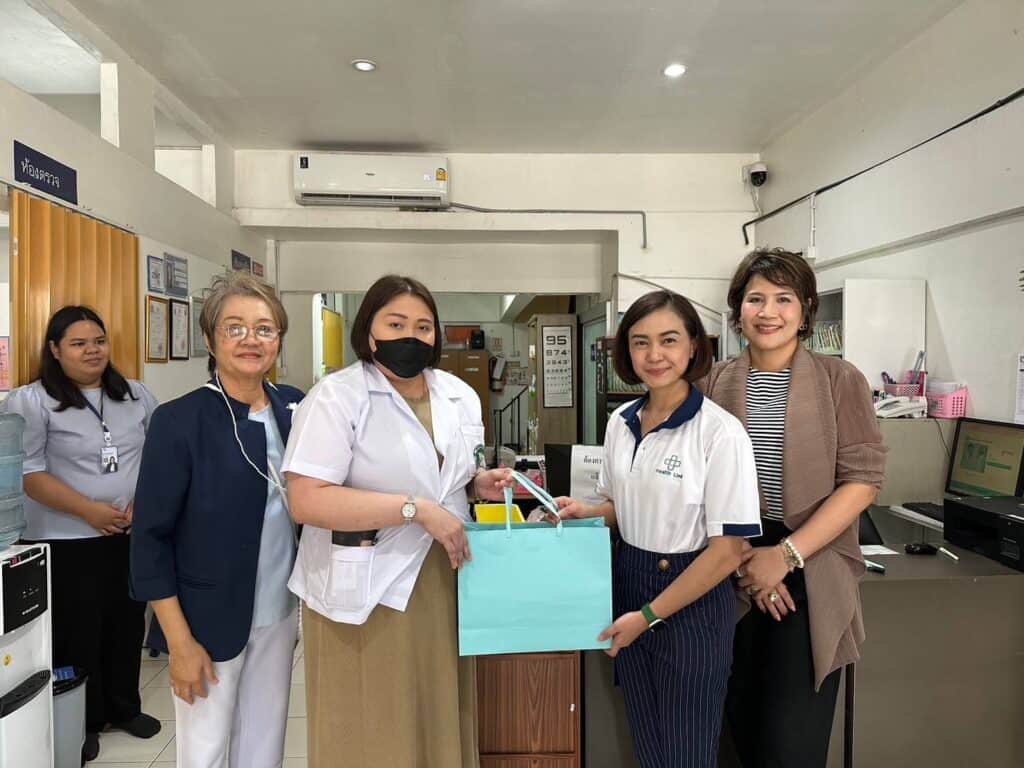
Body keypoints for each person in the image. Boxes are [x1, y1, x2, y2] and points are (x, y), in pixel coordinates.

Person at [283, 274, 513, 768]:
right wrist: (414, 509)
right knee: (371, 725)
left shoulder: (457, 393)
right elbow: (305, 500)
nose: (411, 335)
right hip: (366, 587)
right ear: (369, 331)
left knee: (437, 715)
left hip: (442, 576)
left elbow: (447, 478)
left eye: (423, 326)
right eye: (396, 324)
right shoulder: (336, 396)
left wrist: (478, 485)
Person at [555, 290, 762, 768]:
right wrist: (588, 511)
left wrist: (648, 616)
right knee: (648, 747)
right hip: (629, 580)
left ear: (693, 346)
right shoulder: (620, 422)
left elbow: (728, 552)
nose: (654, 355)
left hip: (691, 597)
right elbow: (621, 507)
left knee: (687, 753)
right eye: (640, 342)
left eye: (668, 340)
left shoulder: (720, 432)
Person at [699, 248, 886, 768]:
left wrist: (783, 557)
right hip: (730, 569)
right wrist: (749, 564)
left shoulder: (839, 379)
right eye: (755, 299)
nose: (768, 312)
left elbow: (862, 481)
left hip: (810, 568)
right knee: (732, 737)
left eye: (784, 299)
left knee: (789, 745)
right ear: (738, 311)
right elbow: (700, 487)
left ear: (804, 311)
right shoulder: (712, 383)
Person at [130, 273, 302, 768]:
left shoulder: (295, 407)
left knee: (264, 745)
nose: (251, 340)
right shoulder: (180, 421)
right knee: (204, 752)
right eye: (235, 327)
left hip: (278, 611)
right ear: (210, 339)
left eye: (264, 329)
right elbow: (150, 539)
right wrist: (179, 642)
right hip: (205, 619)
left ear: (278, 339)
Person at [4, 306, 161, 762]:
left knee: (127, 622)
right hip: (66, 539)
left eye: (99, 341)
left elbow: (157, 454)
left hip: (126, 533)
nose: (92, 350)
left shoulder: (134, 394)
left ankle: (123, 707)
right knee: (77, 631)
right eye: (78, 343)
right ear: (55, 350)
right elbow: (28, 473)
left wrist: (142, 503)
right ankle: (83, 721)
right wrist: (89, 511)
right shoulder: (31, 401)